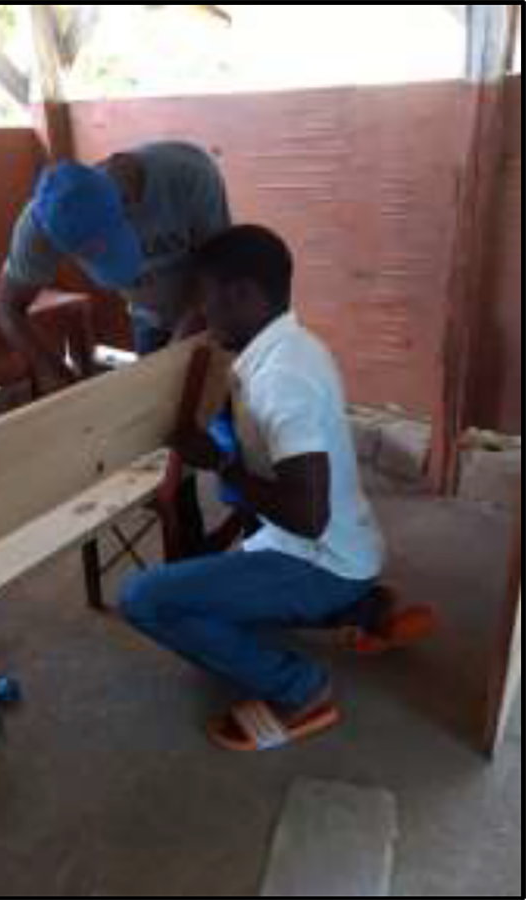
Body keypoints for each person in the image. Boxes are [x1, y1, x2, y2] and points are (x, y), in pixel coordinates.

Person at [120, 225, 434, 753]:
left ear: (242, 294)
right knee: (218, 590)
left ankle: (301, 690)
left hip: (319, 554)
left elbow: (307, 515)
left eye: (205, 295)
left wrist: (219, 462)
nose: (199, 311)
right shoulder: (290, 345)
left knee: (146, 599)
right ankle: (365, 609)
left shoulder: (281, 379)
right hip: (344, 549)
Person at [0, 141, 231, 392]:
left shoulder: (188, 175)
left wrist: (177, 350)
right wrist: (55, 374)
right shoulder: (41, 226)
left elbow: (221, 270)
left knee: (218, 398)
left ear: (127, 205)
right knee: (154, 402)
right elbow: (8, 309)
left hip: (214, 309)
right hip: (148, 318)